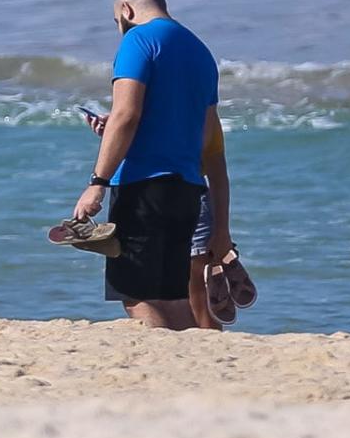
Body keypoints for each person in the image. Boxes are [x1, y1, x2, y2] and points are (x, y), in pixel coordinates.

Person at [72, 0, 218, 330]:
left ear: (126, 10)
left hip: (143, 186)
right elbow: (202, 133)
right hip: (187, 187)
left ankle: (168, 367)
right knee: (173, 295)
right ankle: (197, 365)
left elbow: (126, 114)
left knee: (135, 293)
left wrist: (97, 182)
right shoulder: (200, 51)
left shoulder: (137, 39)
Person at [82, 105, 235, 329]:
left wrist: (119, 136)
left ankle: (193, 358)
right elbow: (217, 169)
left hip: (170, 200)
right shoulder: (199, 105)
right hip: (194, 198)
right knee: (198, 303)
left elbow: (209, 165)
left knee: (177, 301)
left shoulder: (188, 113)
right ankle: (206, 359)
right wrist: (222, 228)